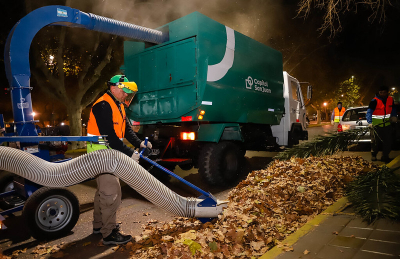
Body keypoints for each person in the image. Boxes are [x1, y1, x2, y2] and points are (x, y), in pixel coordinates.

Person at [87, 75, 152, 245]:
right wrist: (131, 153)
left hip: (110, 154)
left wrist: (140, 143)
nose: (126, 95)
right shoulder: (103, 105)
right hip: (102, 155)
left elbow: (127, 130)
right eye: (125, 91)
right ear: (114, 87)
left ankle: (99, 226)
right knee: (112, 193)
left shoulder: (118, 105)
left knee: (102, 192)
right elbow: (111, 138)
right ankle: (109, 234)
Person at [366, 85, 397, 163]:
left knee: (388, 142)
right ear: (378, 92)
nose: (382, 94)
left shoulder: (390, 100)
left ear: (387, 92)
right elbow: (369, 112)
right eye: (381, 92)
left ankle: (385, 156)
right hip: (376, 126)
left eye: (384, 92)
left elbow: (393, 109)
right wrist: (370, 122)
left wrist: (394, 116)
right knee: (375, 142)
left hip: (387, 125)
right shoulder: (374, 101)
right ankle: (374, 155)